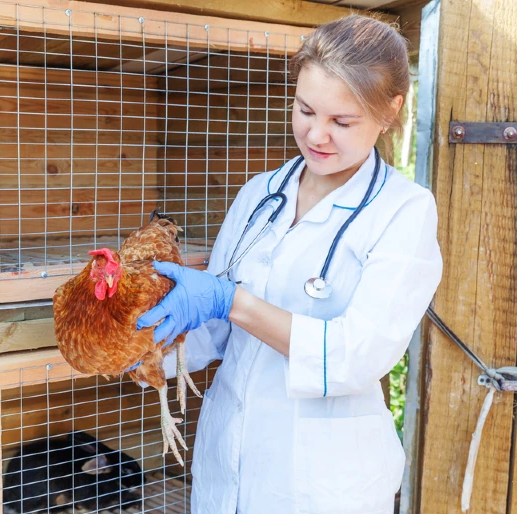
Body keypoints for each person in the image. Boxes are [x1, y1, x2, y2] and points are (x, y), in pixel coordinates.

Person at [137, 14, 443, 514]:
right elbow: (213, 334)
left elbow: (354, 357)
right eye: (305, 110)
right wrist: (145, 345)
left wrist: (231, 300)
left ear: (390, 111)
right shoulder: (261, 194)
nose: (316, 135)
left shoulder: (404, 211)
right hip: (227, 468)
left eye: (342, 122)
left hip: (323, 485)